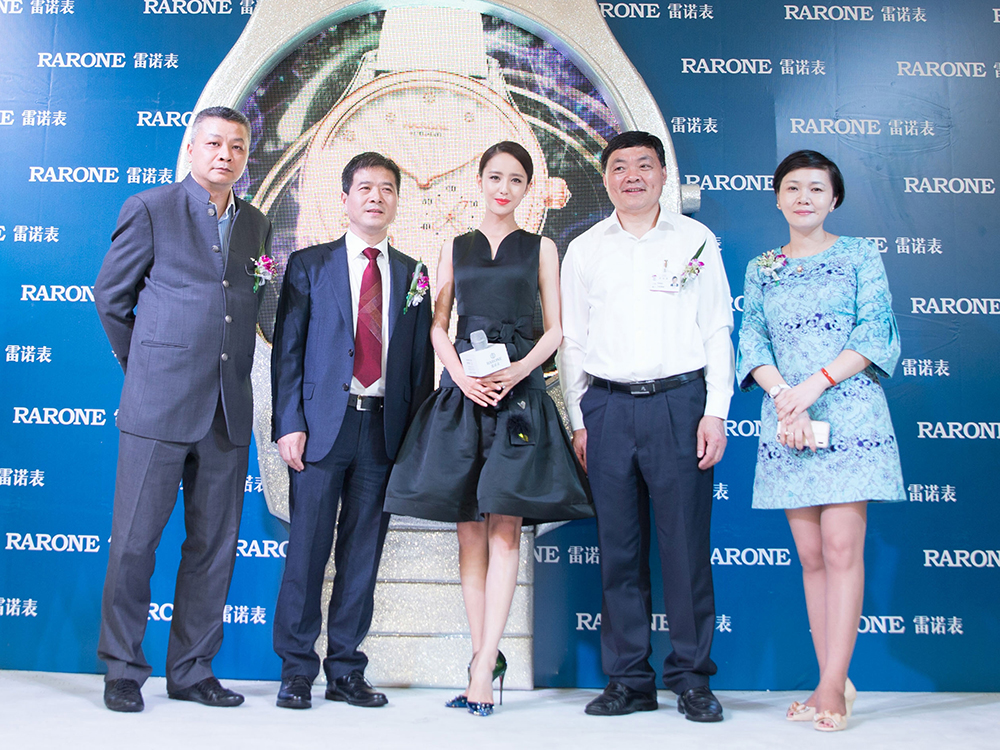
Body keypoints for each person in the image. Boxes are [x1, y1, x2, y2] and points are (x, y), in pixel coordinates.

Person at [384, 141, 593, 717]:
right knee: (469, 533)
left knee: (505, 529)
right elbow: (438, 323)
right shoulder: (454, 247)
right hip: (465, 396)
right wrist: (458, 375)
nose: (505, 188)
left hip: (519, 398)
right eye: (496, 177)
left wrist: (520, 371)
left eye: (516, 179)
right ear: (479, 181)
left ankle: (480, 670)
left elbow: (556, 330)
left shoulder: (542, 247)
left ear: (529, 188)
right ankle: (485, 656)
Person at [94, 106, 273, 712]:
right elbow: (111, 298)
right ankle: (123, 669)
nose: (226, 155)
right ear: (191, 148)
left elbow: (247, 302)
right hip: (158, 406)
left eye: (238, 146)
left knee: (213, 548)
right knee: (134, 544)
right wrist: (146, 366)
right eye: (214, 143)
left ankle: (192, 671)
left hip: (227, 408)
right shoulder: (151, 208)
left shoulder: (257, 224)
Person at [559, 131, 733, 722]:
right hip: (607, 408)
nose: (632, 176)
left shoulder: (695, 240)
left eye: (643, 165)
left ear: (662, 174)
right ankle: (628, 678)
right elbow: (574, 341)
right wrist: (580, 419)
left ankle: (692, 679)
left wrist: (716, 411)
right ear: (605, 177)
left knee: (685, 549)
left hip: (679, 404)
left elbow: (717, 329)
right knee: (619, 550)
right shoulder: (584, 248)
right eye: (619, 167)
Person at [736, 150, 904, 732]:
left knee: (840, 549)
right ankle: (829, 677)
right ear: (777, 198)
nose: (803, 197)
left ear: (834, 199)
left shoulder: (860, 254)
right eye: (792, 187)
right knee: (810, 556)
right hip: (788, 416)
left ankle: (833, 685)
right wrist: (786, 394)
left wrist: (815, 385)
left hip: (849, 411)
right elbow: (752, 339)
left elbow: (875, 330)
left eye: (815, 188)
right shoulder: (762, 266)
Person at [270, 152, 434, 710]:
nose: (376, 197)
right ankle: (296, 670)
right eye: (365, 187)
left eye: (387, 188)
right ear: (344, 198)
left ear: (397, 200)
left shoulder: (414, 273)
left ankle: (345, 669)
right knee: (307, 552)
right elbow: (288, 352)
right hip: (321, 429)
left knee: (363, 554)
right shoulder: (309, 264)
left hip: (384, 431)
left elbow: (420, 366)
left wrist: (414, 439)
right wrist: (289, 423)